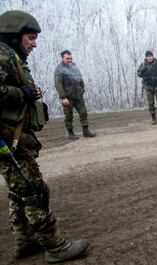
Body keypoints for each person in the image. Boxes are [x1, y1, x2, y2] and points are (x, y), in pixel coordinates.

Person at [0, 10, 89, 262]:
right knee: (35, 189)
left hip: (13, 138)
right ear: (14, 36)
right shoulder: (2, 55)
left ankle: (24, 241)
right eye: (30, 37)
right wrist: (22, 93)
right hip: (7, 140)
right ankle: (55, 246)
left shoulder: (11, 56)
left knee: (20, 191)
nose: (34, 43)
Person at [54, 50, 96, 140]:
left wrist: (82, 89)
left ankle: (86, 131)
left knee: (83, 112)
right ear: (62, 58)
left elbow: (79, 78)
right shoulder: (59, 70)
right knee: (69, 115)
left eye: (70, 58)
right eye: (67, 58)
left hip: (78, 95)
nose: (69, 60)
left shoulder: (74, 67)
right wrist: (63, 97)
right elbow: (58, 84)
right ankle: (70, 133)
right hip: (68, 96)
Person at [137, 50, 157, 125]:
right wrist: (142, 70)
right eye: (148, 56)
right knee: (150, 104)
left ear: (152, 56)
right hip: (149, 87)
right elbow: (139, 74)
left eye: (150, 56)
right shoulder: (143, 65)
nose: (149, 57)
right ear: (146, 57)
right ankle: (154, 119)